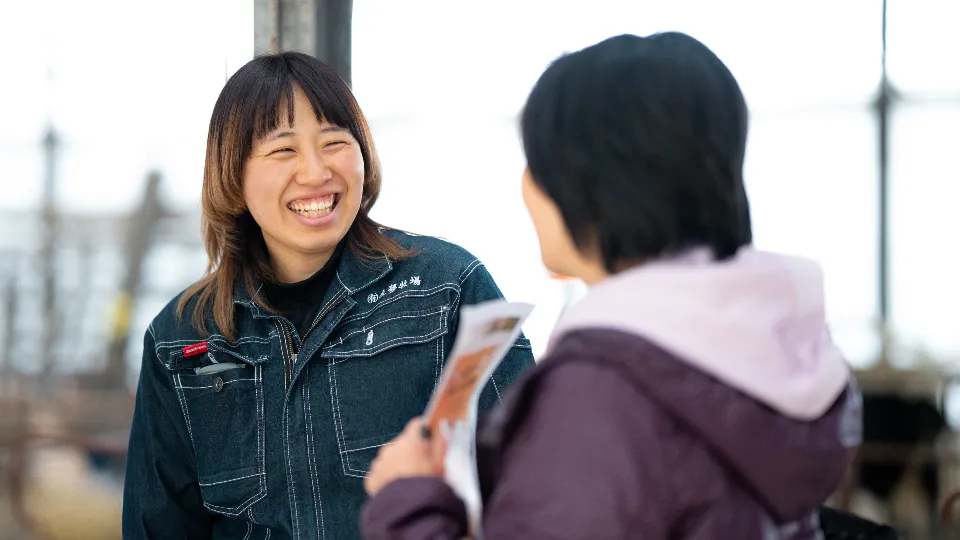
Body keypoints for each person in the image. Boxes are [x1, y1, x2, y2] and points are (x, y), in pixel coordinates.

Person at [360, 32, 863, 539]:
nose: (526, 185)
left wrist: (410, 502)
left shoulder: (601, 395)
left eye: (537, 160)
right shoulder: (777, 350)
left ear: (588, 186)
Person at [121, 52, 535, 540]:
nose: (316, 173)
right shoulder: (182, 338)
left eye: (336, 142)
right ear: (234, 174)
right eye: (283, 150)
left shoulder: (448, 288)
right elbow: (156, 527)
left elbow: (537, 477)